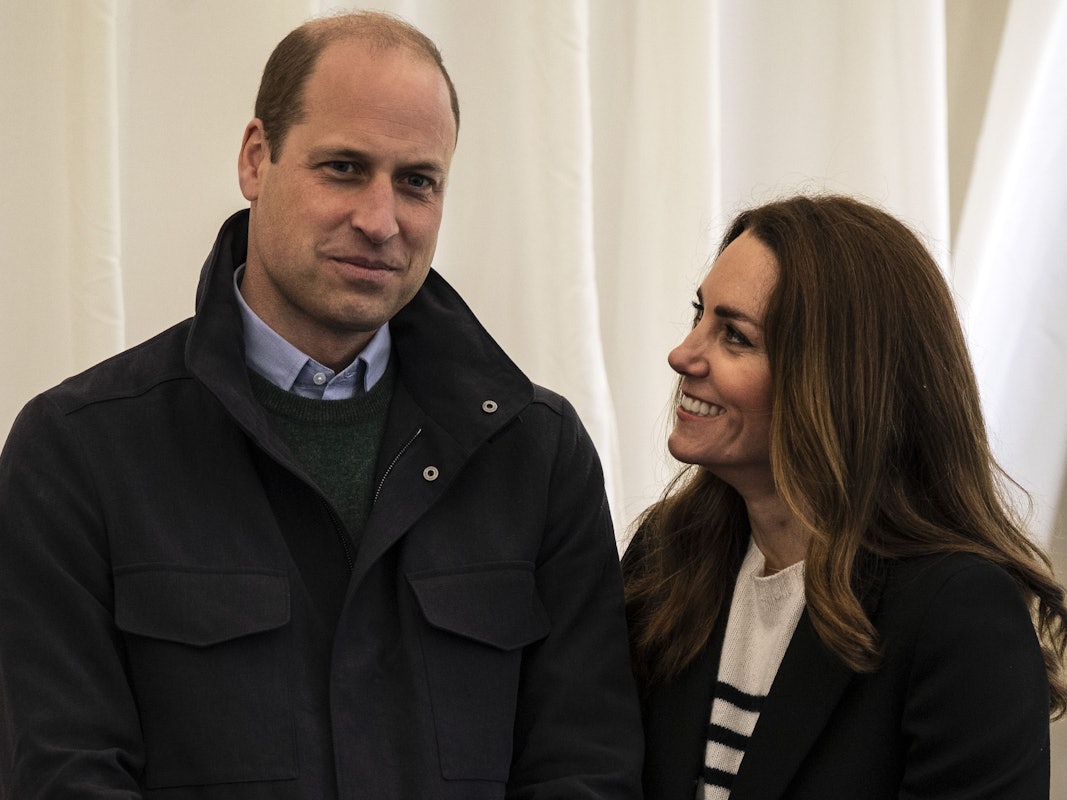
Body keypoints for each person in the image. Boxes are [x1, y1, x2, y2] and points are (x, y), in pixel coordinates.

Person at [0, 11, 642, 799]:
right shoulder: (77, 453)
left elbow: (587, 770)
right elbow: (63, 774)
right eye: (343, 168)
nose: (380, 221)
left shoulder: (534, 454)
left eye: (417, 181)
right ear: (255, 159)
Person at [623, 194, 1067, 799]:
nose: (682, 354)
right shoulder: (667, 556)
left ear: (832, 380)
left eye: (733, 335)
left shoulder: (959, 616)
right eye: (698, 315)